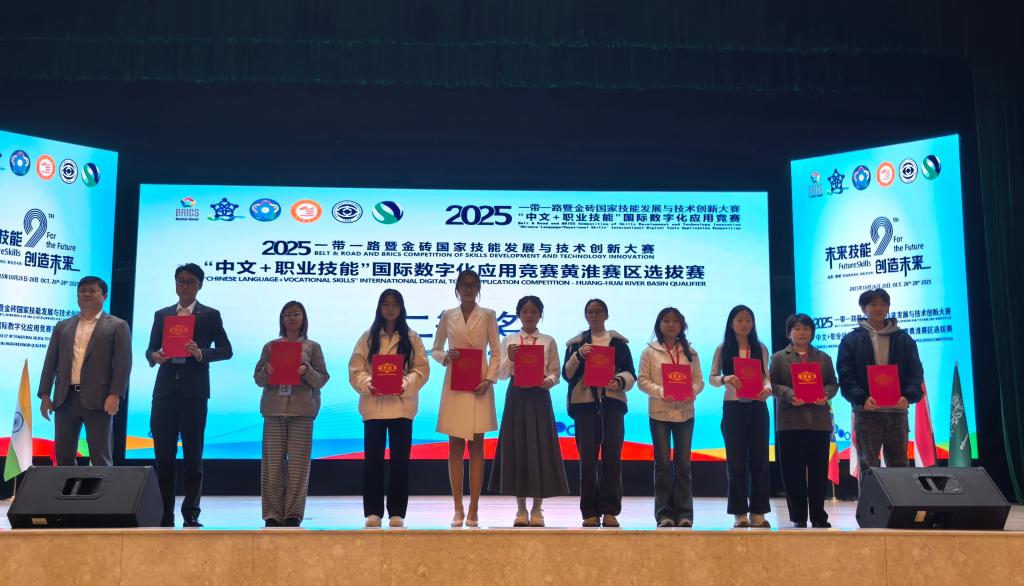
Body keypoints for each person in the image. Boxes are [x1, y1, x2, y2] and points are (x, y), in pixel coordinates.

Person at [146, 263, 233, 527]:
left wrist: (201, 353)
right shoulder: (162, 315)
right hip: (164, 394)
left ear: (200, 285)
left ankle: (191, 513)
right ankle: (164, 513)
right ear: (175, 284)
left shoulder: (210, 315)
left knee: (193, 457)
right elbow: (150, 350)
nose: (184, 285)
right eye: (181, 281)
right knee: (163, 458)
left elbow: (226, 350)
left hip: (194, 395)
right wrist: (155, 356)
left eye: (190, 281)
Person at [349, 289, 430, 528]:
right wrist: (369, 383)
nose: (390, 308)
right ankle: (373, 511)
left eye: (395, 304)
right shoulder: (368, 337)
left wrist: (404, 383)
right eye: (386, 304)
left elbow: (421, 370)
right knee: (372, 462)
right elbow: (355, 369)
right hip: (373, 408)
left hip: (402, 407)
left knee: (400, 463)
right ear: (380, 308)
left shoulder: (412, 338)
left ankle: (397, 512)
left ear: (401, 308)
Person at [487, 295, 569, 527]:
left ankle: (537, 510)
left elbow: (555, 372)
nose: (529, 315)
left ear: (540, 314)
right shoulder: (509, 340)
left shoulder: (548, 341)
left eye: (534, 311)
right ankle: (521, 510)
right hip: (517, 395)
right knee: (518, 449)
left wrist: (549, 381)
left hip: (539, 396)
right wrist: (510, 359)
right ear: (518, 315)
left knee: (540, 449)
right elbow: (502, 374)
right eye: (525, 311)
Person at [37, 276, 131, 466]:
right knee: (63, 455)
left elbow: (123, 365)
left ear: (104, 296)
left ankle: (101, 488)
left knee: (100, 456)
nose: (87, 294)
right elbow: (50, 362)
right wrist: (45, 395)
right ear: (77, 296)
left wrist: (115, 395)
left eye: (92, 291)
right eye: (82, 291)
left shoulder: (117, 325)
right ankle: (69, 487)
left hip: (100, 399)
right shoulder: (62, 326)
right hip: (65, 399)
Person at [431, 270, 500, 528]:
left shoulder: (489, 315)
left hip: (480, 385)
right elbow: (435, 349)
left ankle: (474, 508)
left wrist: (489, 379)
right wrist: (446, 357)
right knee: (455, 448)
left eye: (473, 285)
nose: (469, 289)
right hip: (455, 385)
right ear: (457, 288)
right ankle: (458, 507)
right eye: (464, 285)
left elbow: (496, 352)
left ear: (479, 288)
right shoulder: (448, 315)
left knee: (478, 447)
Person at [253, 301, 329, 527]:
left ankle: (294, 513)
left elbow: (321, 379)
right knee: (272, 465)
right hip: (273, 410)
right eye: (287, 314)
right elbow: (258, 380)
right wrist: (267, 372)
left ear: (304, 318)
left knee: (298, 466)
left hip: (302, 411)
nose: (292, 318)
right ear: (281, 319)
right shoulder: (270, 347)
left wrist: (307, 371)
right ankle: (272, 513)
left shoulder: (313, 347)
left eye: (296, 314)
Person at [563, 298, 636, 528]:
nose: (594, 316)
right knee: (587, 459)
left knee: (612, 458)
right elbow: (567, 375)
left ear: (606, 315)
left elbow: (630, 373)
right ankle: (589, 512)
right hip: (584, 405)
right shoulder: (576, 344)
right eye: (590, 312)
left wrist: (619, 381)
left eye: (598, 312)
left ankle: (610, 511)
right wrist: (578, 356)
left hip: (612, 403)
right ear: (586, 316)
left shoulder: (619, 344)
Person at [837, 289, 924, 476]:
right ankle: (870, 498)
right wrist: (861, 399)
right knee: (868, 465)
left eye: (883, 304)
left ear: (889, 307)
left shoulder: (904, 339)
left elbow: (916, 373)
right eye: (873, 304)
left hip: (897, 411)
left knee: (899, 465)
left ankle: (900, 497)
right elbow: (846, 375)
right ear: (863, 308)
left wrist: (908, 396)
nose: (879, 308)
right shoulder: (851, 340)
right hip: (867, 411)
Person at [769, 313, 838, 528]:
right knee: (793, 473)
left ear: (812, 332)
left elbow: (833, 383)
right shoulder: (779, 358)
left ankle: (818, 516)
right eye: (797, 329)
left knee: (818, 472)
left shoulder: (823, 358)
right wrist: (790, 394)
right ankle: (798, 516)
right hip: (790, 421)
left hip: (818, 422)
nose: (802, 332)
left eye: (806, 328)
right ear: (789, 333)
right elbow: (772, 385)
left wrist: (825, 394)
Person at [637, 307, 704, 528]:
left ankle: (685, 514)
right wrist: (661, 391)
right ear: (659, 325)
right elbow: (642, 380)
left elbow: (699, 380)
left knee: (683, 464)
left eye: (675, 321)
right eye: (666, 320)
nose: (671, 324)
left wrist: (691, 391)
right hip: (659, 412)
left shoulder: (691, 352)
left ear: (682, 325)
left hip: (685, 413)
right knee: (663, 464)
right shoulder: (650, 351)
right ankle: (664, 514)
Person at [709, 304, 772, 528]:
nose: (744, 324)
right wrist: (725, 379)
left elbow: (767, 376)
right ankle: (739, 513)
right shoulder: (723, 348)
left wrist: (768, 389)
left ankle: (758, 512)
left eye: (748, 320)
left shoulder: (760, 348)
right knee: (736, 462)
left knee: (759, 461)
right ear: (731, 324)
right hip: (733, 407)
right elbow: (712, 377)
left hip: (757, 407)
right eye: (740, 320)